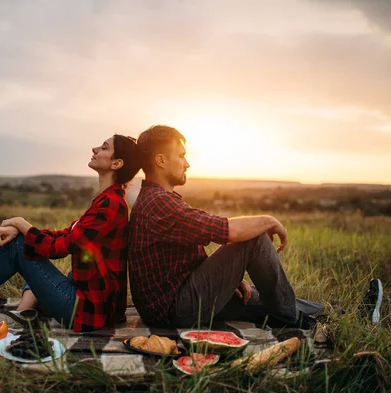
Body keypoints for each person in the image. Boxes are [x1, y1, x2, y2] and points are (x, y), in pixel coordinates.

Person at [0, 135, 141, 332]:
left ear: (116, 163)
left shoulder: (110, 205)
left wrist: (20, 223)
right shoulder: (107, 201)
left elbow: (59, 248)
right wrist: (25, 228)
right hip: (93, 304)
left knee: (21, 246)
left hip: (86, 312)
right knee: (31, 245)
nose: (95, 149)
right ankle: (23, 312)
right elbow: (64, 236)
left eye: (103, 147)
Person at [128, 125, 328, 329]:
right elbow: (227, 230)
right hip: (175, 309)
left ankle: (337, 314)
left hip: (181, 298)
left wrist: (225, 280)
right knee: (254, 239)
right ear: (161, 160)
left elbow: (182, 263)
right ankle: (291, 322)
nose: (187, 163)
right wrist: (269, 220)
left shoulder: (156, 199)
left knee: (258, 299)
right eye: (181, 156)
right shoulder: (158, 203)